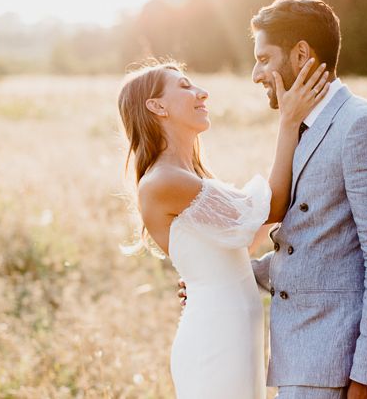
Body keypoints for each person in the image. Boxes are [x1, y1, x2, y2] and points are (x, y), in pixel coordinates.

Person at [180, 0, 367, 399]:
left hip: (337, 368)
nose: (256, 74)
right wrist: (232, 276)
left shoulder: (364, 127)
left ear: (302, 54)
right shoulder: (306, 127)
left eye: (264, 58)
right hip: (297, 360)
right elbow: (320, 245)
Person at [117, 56, 330, 399]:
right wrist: (289, 122)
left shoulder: (191, 176)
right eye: (185, 87)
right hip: (214, 337)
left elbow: (250, 235)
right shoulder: (164, 180)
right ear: (157, 106)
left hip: (235, 330)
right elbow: (268, 209)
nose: (202, 93)